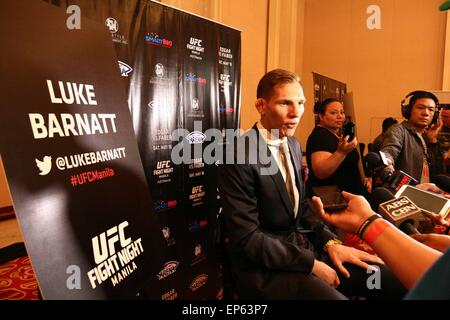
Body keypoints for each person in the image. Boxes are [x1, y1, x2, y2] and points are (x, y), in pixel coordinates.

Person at [218, 69, 406, 299]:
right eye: (285, 103)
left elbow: (302, 208)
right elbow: (248, 239)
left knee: (387, 280)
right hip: (268, 271)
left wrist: (331, 243)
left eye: (301, 102)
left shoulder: (294, 145)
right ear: (261, 106)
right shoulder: (236, 154)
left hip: (305, 249)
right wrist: (311, 265)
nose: (296, 113)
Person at [312, 192, 450, 299]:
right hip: (301, 264)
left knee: (377, 276)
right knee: (377, 275)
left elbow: (439, 284)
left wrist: (367, 222)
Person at [305, 98, 369, 198]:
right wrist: (341, 153)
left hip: (349, 196)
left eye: (342, 112)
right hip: (334, 200)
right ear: (321, 116)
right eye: (334, 113)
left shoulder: (334, 135)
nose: (340, 116)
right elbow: (320, 171)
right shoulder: (320, 135)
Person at [381, 91, 445, 183]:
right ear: (408, 110)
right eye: (420, 108)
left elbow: (440, 172)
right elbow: (390, 150)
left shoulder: (427, 137)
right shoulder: (398, 130)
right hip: (406, 193)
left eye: (431, 110)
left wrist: (432, 140)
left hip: (427, 193)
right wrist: (387, 161)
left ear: (435, 115)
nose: (426, 113)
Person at [437, 106, 450, 173]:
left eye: (445, 117)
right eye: (441, 116)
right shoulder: (436, 128)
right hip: (438, 166)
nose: (442, 119)